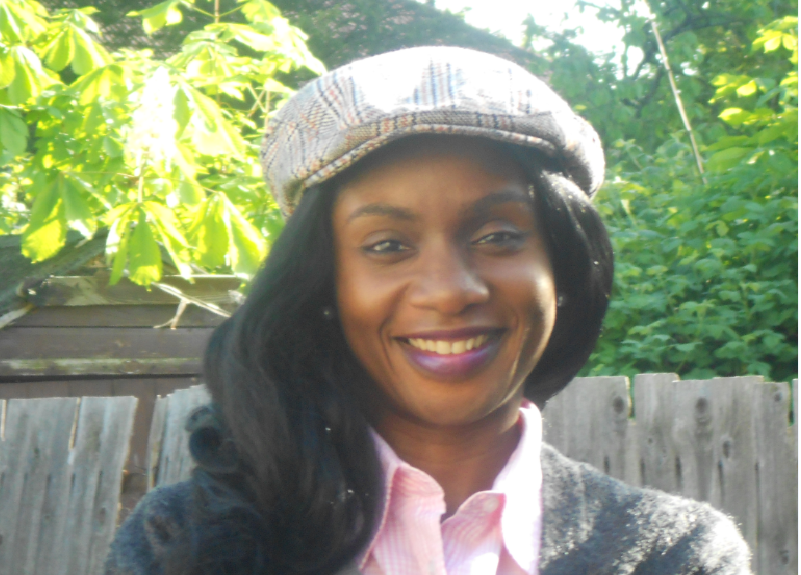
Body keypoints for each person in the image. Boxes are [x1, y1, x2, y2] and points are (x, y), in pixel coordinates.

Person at [104, 46, 750, 575]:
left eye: (497, 236)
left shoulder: (672, 555)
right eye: (387, 245)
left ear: (564, 271)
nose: (448, 291)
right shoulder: (180, 541)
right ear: (322, 284)